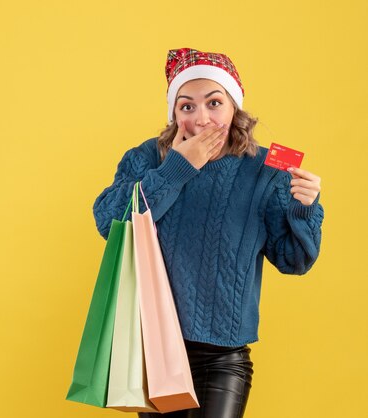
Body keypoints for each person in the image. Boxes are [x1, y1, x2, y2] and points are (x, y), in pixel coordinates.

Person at [92, 48, 324, 418]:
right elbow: (110, 223)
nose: (202, 119)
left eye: (214, 103)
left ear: (234, 105)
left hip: (224, 357)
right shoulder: (148, 158)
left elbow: (294, 261)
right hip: (153, 349)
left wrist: (304, 207)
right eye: (187, 106)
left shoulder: (267, 170)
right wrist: (177, 169)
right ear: (174, 112)